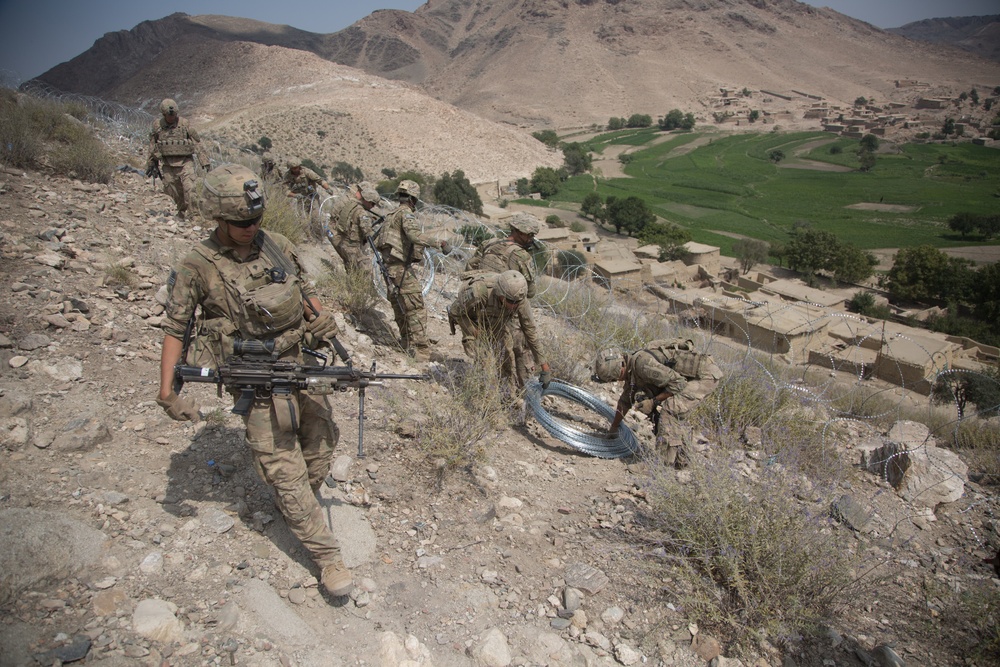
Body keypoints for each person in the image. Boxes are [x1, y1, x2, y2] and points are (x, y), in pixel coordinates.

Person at [155, 163, 353, 599]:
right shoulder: (197, 265)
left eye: (256, 220)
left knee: (321, 445)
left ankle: (296, 503)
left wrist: (320, 321)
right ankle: (327, 556)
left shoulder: (277, 246)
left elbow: (302, 292)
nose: (250, 228)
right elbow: (176, 328)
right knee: (285, 468)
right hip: (255, 377)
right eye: (241, 222)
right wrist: (167, 392)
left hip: (299, 363)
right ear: (218, 218)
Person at [592, 338, 723, 468]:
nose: (615, 381)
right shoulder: (631, 367)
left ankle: (659, 466)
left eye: (614, 378)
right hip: (692, 376)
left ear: (619, 370)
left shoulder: (642, 365)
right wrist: (613, 429)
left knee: (670, 409)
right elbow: (625, 400)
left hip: (705, 376)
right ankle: (682, 460)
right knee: (665, 412)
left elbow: (678, 383)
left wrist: (653, 402)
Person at [463, 212, 541, 387]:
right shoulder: (521, 256)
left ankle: (485, 383)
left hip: (480, 303)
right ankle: (523, 388)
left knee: (485, 347)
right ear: (519, 232)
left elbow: (470, 267)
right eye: (529, 235)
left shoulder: (488, 243)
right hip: (505, 309)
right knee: (520, 347)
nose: (531, 239)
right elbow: (530, 291)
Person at [375, 180, 450, 359]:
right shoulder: (406, 214)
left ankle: (406, 342)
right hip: (400, 268)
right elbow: (414, 236)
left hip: (389, 268)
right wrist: (438, 243)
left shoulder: (391, 215)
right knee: (415, 307)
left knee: (401, 306)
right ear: (413, 199)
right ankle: (422, 351)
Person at [448, 270, 552, 390]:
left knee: (507, 359)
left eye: (517, 302)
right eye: (511, 302)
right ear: (500, 294)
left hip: (496, 319)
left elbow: (530, 331)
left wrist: (544, 367)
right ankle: (485, 398)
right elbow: (456, 312)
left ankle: (507, 394)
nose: (514, 306)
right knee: (484, 360)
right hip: (471, 318)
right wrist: (477, 332)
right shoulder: (479, 292)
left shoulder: (519, 299)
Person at [147, 98, 210, 220]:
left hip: (185, 162)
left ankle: (194, 214)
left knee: (190, 188)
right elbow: (152, 145)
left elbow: (197, 142)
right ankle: (181, 211)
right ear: (164, 115)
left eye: (174, 115)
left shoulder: (184, 124)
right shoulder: (157, 126)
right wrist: (151, 163)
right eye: (169, 116)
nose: (172, 117)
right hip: (167, 164)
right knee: (172, 190)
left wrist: (204, 161)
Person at [328, 183, 381, 273]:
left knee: (351, 268)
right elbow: (368, 233)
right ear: (368, 201)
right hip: (352, 245)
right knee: (365, 270)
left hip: (341, 240)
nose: (373, 207)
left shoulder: (350, 204)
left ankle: (351, 285)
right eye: (372, 204)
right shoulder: (361, 212)